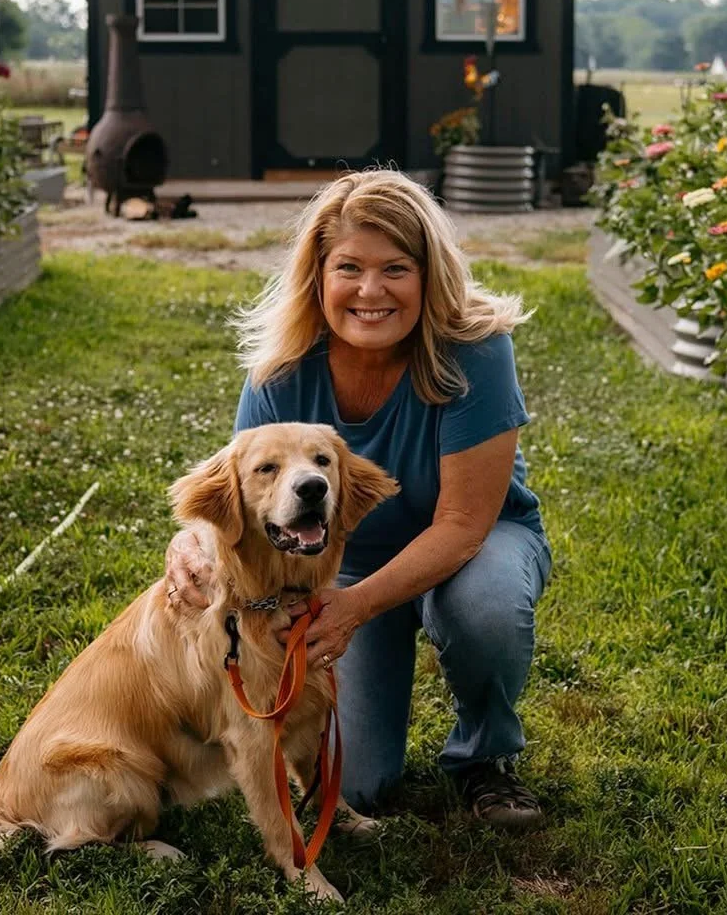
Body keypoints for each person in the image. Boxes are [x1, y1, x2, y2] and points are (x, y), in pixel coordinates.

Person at [165, 169, 551, 828]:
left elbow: (461, 524)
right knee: (357, 784)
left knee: (481, 607)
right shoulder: (283, 369)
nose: (371, 291)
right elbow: (245, 501)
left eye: (396, 268)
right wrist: (193, 538)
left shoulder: (477, 349)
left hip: (475, 544)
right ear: (318, 274)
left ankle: (485, 761)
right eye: (350, 267)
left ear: (429, 274)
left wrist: (353, 609)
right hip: (339, 567)